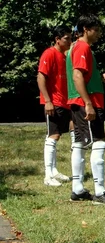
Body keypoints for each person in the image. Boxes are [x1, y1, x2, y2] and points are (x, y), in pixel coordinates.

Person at [67, 14, 105, 204]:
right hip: (88, 104)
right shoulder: (82, 47)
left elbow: (85, 75)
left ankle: (78, 189)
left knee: (79, 144)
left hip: (81, 102)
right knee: (98, 143)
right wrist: (88, 103)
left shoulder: (78, 47)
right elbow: (77, 76)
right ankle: (99, 191)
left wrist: (99, 77)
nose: (99, 34)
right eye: (96, 30)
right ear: (85, 30)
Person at [37, 25, 73, 186]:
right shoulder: (49, 53)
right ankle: (47, 176)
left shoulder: (65, 56)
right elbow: (41, 77)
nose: (70, 41)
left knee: (58, 135)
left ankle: (54, 171)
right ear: (57, 40)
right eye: (66, 38)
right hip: (54, 103)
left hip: (65, 103)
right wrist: (48, 101)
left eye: (71, 38)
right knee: (52, 136)